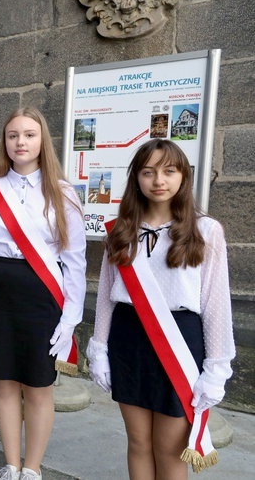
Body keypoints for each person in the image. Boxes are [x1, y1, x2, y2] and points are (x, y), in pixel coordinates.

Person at [86, 139, 236, 479]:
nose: (159, 180)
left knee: (169, 450)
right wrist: (99, 348)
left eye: (169, 171)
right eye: (148, 172)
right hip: (129, 339)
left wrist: (216, 367)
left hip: (179, 343)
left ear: (183, 176)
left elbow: (216, 305)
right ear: (136, 178)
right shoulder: (120, 231)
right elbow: (107, 295)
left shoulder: (206, 230)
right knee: (138, 443)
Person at [0, 107, 86, 480]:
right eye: (13, 135)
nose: (21, 142)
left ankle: (32, 468)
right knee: (3, 383)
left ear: (42, 140)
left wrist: (71, 316)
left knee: (38, 386)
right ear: (5, 142)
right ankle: (11, 463)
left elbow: (75, 260)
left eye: (29, 134)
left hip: (41, 296)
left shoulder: (63, 193)